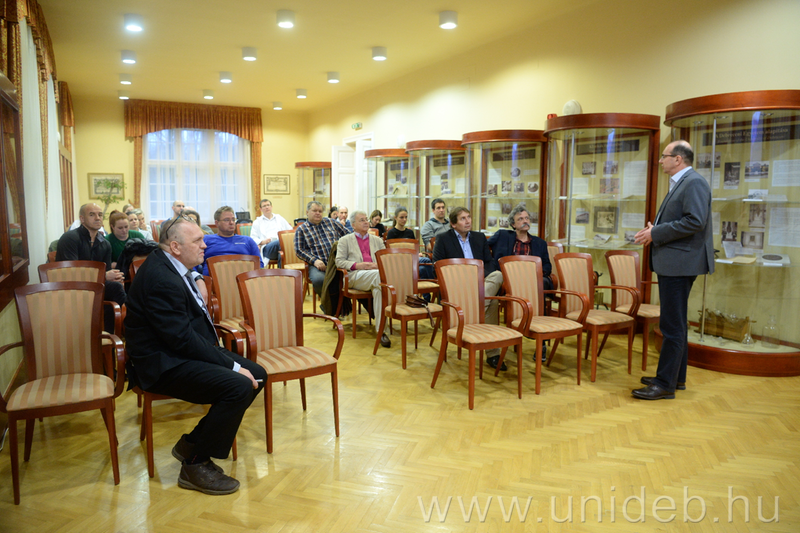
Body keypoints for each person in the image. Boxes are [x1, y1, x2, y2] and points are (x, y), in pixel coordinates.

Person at [124, 216, 266, 495]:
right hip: (162, 363)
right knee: (238, 385)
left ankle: (191, 443)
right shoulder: (161, 279)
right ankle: (195, 464)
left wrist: (198, 277)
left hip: (181, 350)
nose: (205, 245)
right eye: (198, 240)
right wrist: (233, 366)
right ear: (175, 247)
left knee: (258, 374)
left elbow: (185, 332)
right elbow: (181, 339)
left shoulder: (171, 264)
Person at [632, 140, 714, 400]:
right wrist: (655, 229)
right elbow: (682, 220)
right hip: (676, 262)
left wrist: (656, 233)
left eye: (664, 156)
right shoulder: (683, 182)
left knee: (671, 325)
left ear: (678, 159)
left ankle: (664, 384)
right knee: (676, 322)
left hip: (679, 264)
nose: (660, 160)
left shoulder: (693, 182)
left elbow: (695, 221)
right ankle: (676, 377)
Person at [432, 207, 505, 369]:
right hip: (456, 287)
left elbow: (489, 263)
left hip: (480, 284)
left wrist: (478, 278)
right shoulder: (443, 239)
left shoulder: (479, 237)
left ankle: (474, 306)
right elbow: (437, 268)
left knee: (498, 275)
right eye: (463, 218)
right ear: (453, 224)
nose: (468, 221)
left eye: (469, 217)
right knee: (492, 303)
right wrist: (464, 279)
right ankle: (493, 354)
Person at [488, 205, 552, 362]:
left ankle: (539, 336)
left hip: (532, 280)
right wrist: (491, 267)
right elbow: (483, 248)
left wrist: (535, 274)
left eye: (527, 218)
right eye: (520, 219)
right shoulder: (503, 235)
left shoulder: (540, 243)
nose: (525, 221)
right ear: (513, 224)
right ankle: (529, 330)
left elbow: (547, 266)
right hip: (508, 279)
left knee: (540, 286)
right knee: (532, 289)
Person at [55, 202, 125, 332]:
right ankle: (106, 332)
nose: (98, 218)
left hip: (95, 286)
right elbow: (70, 273)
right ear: (82, 219)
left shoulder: (105, 243)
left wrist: (114, 277)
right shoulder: (70, 238)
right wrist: (104, 276)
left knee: (118, 287)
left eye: (100, 215)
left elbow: (106, 270)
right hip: (69, 288)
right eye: (92, 215)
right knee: (115, 289)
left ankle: (107, 334)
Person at [335, 211, 391, 348]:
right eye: (362, 220)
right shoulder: (345, 240)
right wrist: (359, 265)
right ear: (353, 225)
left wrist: (377, 266)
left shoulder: (378, 241)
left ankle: (381, 331)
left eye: (366, 219)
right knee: (381, 279)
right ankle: (398, 311)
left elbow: (386, 260)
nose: (366, 222)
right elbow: (339, 262)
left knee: (379, 288)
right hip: (355, 276)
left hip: (376, 276)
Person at [294, 201, 351, 299]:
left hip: (338, 261)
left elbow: (348, 235)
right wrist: (314, 260)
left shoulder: (331, 222)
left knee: (357, 275)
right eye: (314, 211)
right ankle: (329, 305)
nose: (318, 213)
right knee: (319, 280)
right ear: (307, 212)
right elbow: (299, 250)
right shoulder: (301, 229)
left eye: (320, 211)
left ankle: (342, 303)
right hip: (318, 264)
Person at [201, 206, 262, 276]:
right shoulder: (206, 240)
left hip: (241, 279)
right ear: (217, 223)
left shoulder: (248, 241)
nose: (231, 222)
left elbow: (259, 264)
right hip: (213, 280)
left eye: (233, 219)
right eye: (227, 220)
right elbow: (194, 264)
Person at [387, 206, 434, 280]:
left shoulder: (410, 232)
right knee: (427, 260)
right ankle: (432, 282)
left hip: (412, 258)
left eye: (406, 217)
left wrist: (418, 253)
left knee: (423, 269)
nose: (404, 219)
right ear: (395, 218)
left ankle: (427, 285)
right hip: (400, 260)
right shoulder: (391, 233)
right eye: (401, 217)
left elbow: (415, 248)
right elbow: (390, 251)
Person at [251, 198, 292, 265]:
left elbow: (290, 230)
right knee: (280, 242)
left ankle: (281, 271)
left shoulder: (279, 218)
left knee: (281, 254)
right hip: (267, 248)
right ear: (261, 209)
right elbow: (253, 238)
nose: (267, 207)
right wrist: (263, 241)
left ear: (271, 207)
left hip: (281, 247)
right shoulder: (257, 222)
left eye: (268, 205)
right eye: (264, 206)